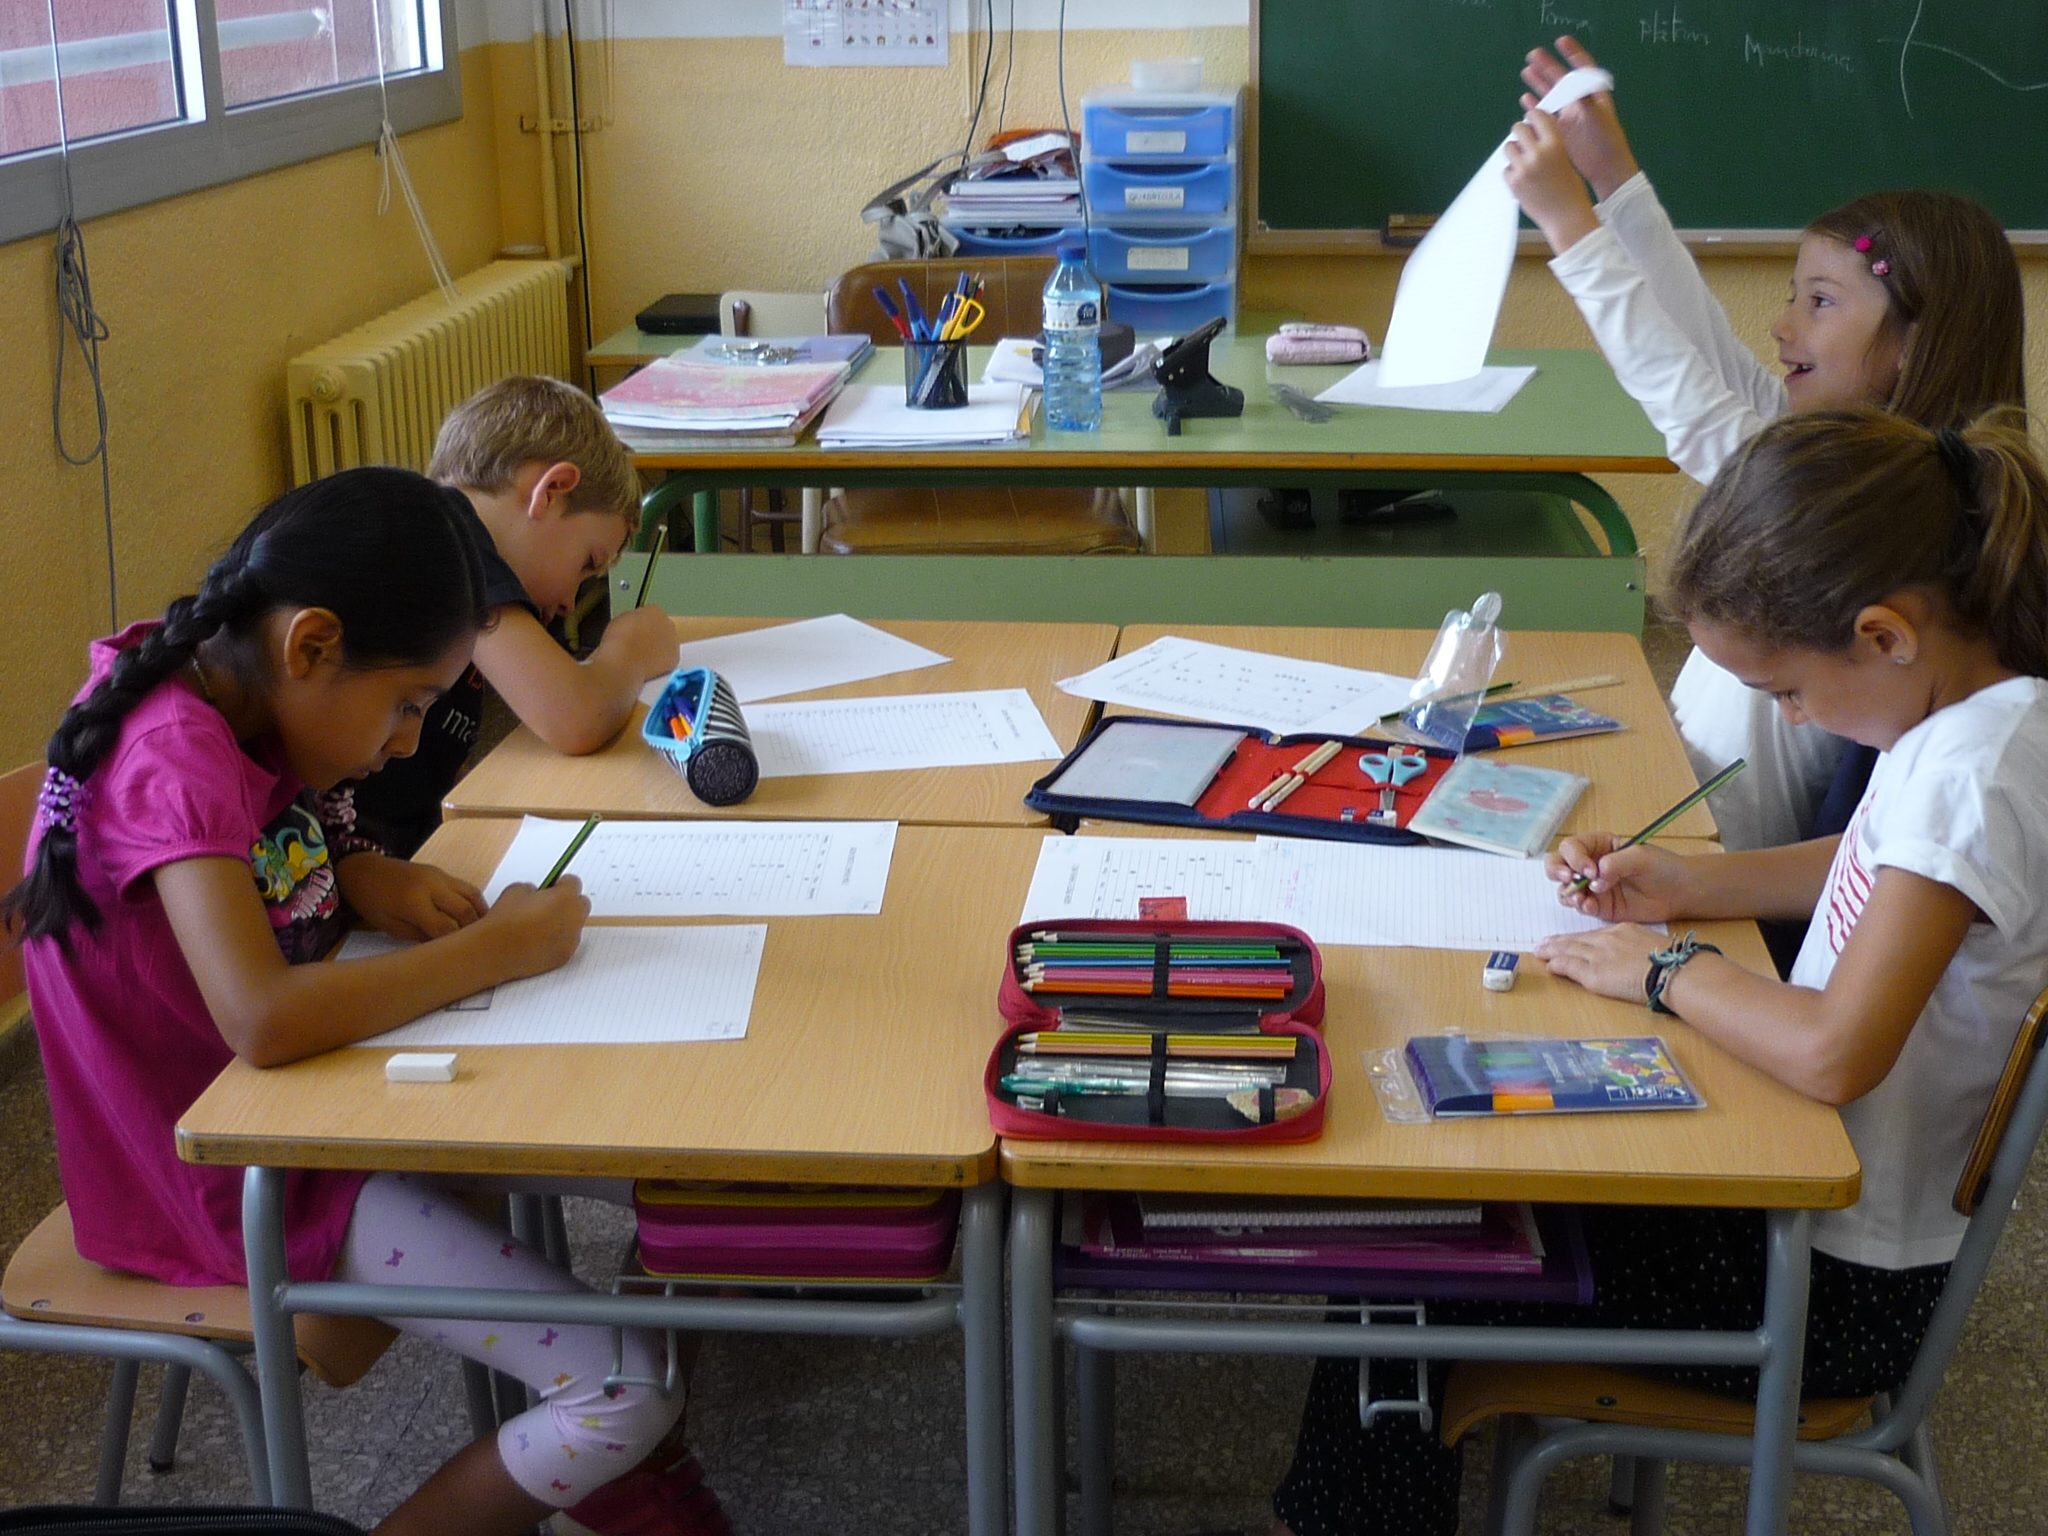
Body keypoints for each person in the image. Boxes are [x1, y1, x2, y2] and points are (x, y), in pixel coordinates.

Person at [1269, 408, 2048, 1536]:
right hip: (1805, 1210)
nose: (1787, 717)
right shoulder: (1974, 719)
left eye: (1784, 692)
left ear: (1883, 635)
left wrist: (1666, 967)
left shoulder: (1970, 777)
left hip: (1831, 1283)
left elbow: (1834, 1052)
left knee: (1409, 1256)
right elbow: (1871, 864)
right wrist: (1688, 885)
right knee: (1442, 1188)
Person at [8, 468, 724, 1536]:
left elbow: (275, 831)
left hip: (320, 1114)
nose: (406, 742)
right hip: (227, 1177)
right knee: (628, 1385)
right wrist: (493, 953)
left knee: (673, 1153)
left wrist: (357, 866)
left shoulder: (228, 673)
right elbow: (263, 1018)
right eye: (407, 705)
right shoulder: (168, 754)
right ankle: (610, 1460)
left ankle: (618, 1480)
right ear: (311, 644)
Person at [1502, 36, 2026, 858]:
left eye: (1821, 302)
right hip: (1684, 807)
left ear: (1914, 345)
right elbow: (1705, 352)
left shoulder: (1869, 511)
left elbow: (1692, 409)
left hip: (1728, 871)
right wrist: (1614, 181)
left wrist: (1571, 227)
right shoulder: (1841, 466)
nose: (1783, 327)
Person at [349, 376, 681, 857]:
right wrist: (629, 649)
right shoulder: (450, 534)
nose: (571, 602)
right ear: (551, 492)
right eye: (587, 563)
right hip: (333, 861)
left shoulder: (456, 547)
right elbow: (576, 717)